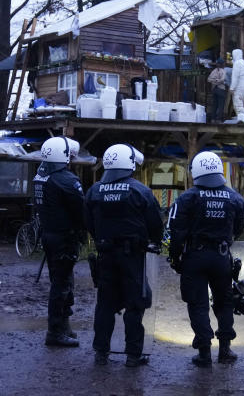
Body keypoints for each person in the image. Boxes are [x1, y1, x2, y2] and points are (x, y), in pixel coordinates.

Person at [85, 144, 163, 367]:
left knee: (105, 304)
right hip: (133, 256)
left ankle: (101, 352)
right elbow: (155, 223)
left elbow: (88, 222)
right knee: (134, 304)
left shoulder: (94, 190)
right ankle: (133, 355)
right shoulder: (140, 190)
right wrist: (153, 242)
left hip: (105, 255)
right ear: (129, 164)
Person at [168, 151, 244, 367]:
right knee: (225, 303)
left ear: (196, 172)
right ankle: (225, 351)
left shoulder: (186, 198)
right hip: (222, 257)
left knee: (198, 304)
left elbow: (175, 231)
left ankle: (204, 354)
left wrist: (174, 258)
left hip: (194, 257)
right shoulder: (235, 197)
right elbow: (238, 229)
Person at [33, 136, 86, 347]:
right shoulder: (66, 180)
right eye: (69, 156)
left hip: (49, 235)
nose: (71, 159)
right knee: (62, 285)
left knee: (61, 281)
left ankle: (63, 327)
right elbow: (81, 211)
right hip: (64, 236)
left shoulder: (40, 176)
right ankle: (56, 332)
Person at [229, 49, 244, 122]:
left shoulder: (237, 63)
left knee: (237, 104)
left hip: (239, 86)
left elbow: (235, 77)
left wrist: (232, 88)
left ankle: (242, 119)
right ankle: (239, 117)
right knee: (241, 103)